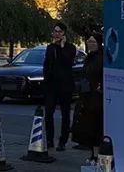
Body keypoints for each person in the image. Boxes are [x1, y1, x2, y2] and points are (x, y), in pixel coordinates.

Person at [42, 20, 77, 151]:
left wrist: (61, 47)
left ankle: (63, 141)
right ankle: (49, 139)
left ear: (64, 34)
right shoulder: (50, 48)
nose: (57, 34)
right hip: (51, 86)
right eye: (55, 31)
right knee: (48, 113)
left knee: (65, 114)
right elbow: (47, 64)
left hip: (65, 86)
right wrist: (46, 81)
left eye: (60, 32)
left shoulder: (70, 48)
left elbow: (66, 62)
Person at [72, 31, 104, 160]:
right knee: (88, 127)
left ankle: (96, 154)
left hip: (96, 98)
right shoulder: (89, 57)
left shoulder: (101, 58)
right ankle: (93, 153)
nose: (90, 44)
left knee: (96, 126)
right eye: (89, 41)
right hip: (86, 96)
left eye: (93, 42)